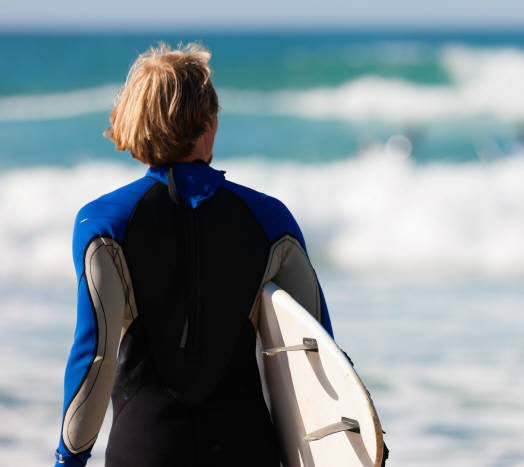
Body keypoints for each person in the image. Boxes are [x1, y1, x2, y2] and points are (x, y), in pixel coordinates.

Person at [54, 42, 333, 467]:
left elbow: (95, 357)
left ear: (135, 121)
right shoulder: (268, 220)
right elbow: (320, 359)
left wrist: (67, 460)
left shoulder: (104, 224)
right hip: (246, 451)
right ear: (209, 122)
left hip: (145, 450)